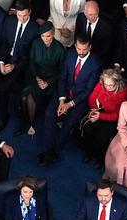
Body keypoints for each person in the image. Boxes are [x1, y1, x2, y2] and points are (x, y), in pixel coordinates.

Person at [37, 36, 100, 165]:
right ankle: (49, 148)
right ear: (75, 46)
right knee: (49, 114)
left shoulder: (95, 64)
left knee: (69, 123)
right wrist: (61, 100)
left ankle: (53, 151)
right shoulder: (70, 55)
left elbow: (88, 90)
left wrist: (69, 104)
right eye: (79, 48)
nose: (81, 52)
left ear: (90, 47)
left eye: (84, 49)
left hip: (79, 99)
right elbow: (63, 77)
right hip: (64, 93)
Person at [0, 2, 39, 132]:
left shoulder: (35, 29)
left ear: (29, 12)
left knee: (3, 88)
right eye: (19, 15)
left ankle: (3, 115)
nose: (22, 18)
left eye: (25, 15)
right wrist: (2, 62)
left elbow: (29, 55)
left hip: (20, 63)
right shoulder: (9, 21)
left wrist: (14, 66)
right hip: (5, 57)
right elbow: (4, 43)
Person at [79, 70, 127, 168]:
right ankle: (89, 152)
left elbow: (118, 115)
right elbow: (92, 97)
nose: (108, 88)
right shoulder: (101, 84)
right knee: (87, 129)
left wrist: (100, 116)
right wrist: (95, 111)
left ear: (118, 82)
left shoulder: (124, 92)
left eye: (111, 85)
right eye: (106, 85)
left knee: (102, 138)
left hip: (113, 118)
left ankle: (100, 159)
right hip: (99, 111)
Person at [20, 22, 65, 135]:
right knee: (26, 96)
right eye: (43, 36)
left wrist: (48, 82)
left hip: (51, 80)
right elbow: (31, 62)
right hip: (35, 75)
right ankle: (27, 122)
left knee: (29, 96)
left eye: (48, 36)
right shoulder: (36, 43)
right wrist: (38, 78)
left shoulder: (60, 49)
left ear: (53, 34)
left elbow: (62, 71)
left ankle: (29, 123)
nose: (45, 39)